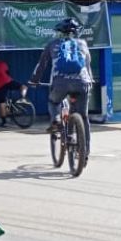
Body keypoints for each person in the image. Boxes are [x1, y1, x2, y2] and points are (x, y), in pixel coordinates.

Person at [31, 17, 94, 152]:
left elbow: (41, 65)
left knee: (53, 102)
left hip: (60, 83)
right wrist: (90, 82)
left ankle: (57, 120)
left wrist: (34, 80)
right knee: (83, 116)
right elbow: (88, 66)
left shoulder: (53, 44)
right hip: (83, 83)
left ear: (59, 32)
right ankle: (85, 151)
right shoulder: (82, 44)